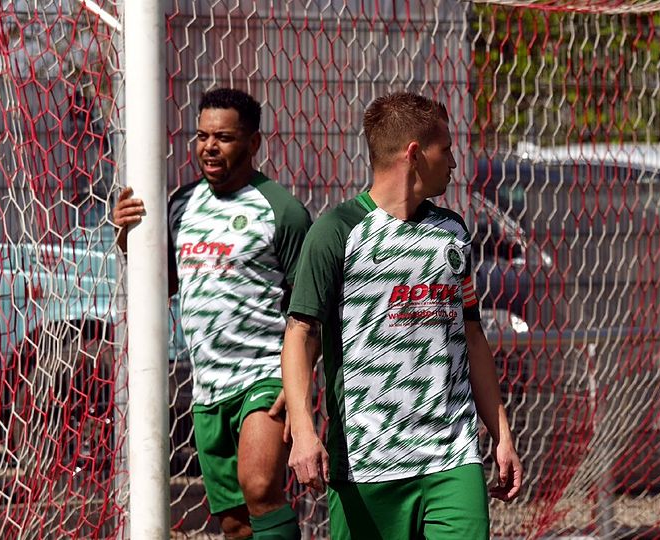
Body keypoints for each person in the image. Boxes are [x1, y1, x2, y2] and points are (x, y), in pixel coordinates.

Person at [281, 91, 523, 539]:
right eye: (445, 149)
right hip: (366, 460)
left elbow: (472, 336)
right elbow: (300, 334)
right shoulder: (336, 232)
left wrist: (502, 434)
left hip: (452, 455)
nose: (454, 162)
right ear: (414, 154)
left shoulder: (451, 232)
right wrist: (303, 430)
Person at [112, 88, 309, 539]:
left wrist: (299, 383)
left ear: (253, 143)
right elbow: (163, 283)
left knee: (260, 487)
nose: (209, 147)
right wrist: (128, 238)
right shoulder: (181, 205)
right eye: (202, 136)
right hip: (207, 387)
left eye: (224, 137)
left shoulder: (282, 211)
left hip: (264, 377)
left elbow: (310, 309)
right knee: (236, 523)